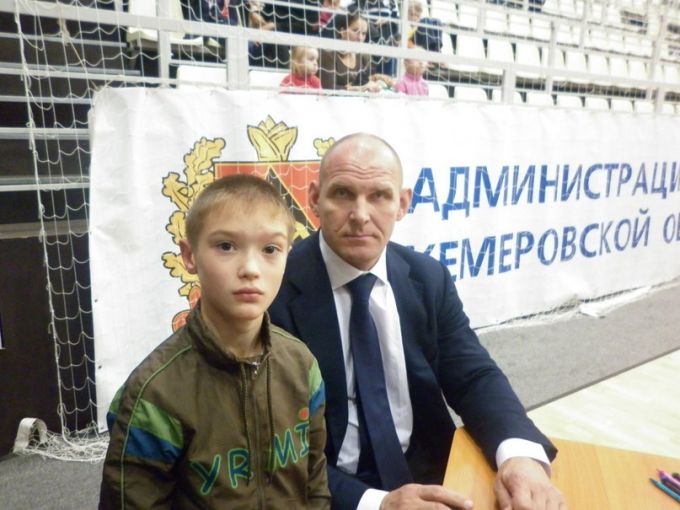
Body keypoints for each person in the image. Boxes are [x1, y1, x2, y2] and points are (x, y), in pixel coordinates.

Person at [269, 133, 567, 510]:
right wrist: (377, 504)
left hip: (429, 469)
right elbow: (271, 443)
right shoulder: (273, 291)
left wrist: (519, 454)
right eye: (342, 193)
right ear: (314, 198)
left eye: (379, 196)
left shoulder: (428, 277)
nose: (360, 215)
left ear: (402, 203)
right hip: (327, 487)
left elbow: (473, 376)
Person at [99, 175, 330, 509]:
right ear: (189, 255)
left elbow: (315, 484)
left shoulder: (302, 366)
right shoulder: (155, 393)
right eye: (226, 246)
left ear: (287, 256)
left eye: (270, 249)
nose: (250, 269)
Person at [319, 10, 382, 92]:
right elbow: (328, 88)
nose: (360, 38)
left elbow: (363, 84)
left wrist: (374, 84)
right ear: (342, 31)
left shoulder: (362, 57)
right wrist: (358, 88)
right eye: (355, 31)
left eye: (363, 33)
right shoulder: (328, 53)